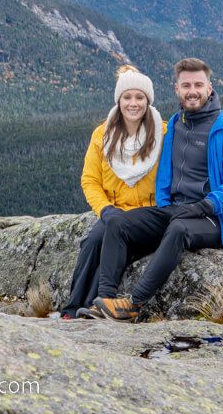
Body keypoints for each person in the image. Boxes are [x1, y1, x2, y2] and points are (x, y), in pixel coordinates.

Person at [80, 57, 223, 322]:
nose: (192, 91)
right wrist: (163, 203)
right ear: (177, 89)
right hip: (175, 209)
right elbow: (164, 173)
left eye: (198, 84)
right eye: (186, 85)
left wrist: (204, 205)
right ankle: (106, 301)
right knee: (118, 224)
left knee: (179, 229)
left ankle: (133, 304)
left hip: (212, 217)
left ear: (210, 87)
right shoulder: (175, 124)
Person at [61, 64, 165, 320]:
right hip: (115, 213)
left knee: (109, 238)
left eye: (139, 97)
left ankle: (97, 306)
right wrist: (105, 210)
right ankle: (74, 308)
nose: (133, 103)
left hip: (149, 215)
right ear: (119, 100)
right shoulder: (102, 135)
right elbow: (90, 180)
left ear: (148, 100)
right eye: (127, 97)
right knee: (93, 241)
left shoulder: (163, 133)